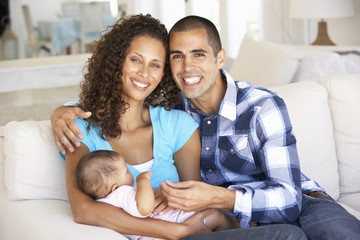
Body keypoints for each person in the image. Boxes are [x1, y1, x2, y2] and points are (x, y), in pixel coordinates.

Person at [51, 14, 309, 240]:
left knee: (291, 234)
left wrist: (191, 226)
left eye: (155, 65)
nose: (144, 73)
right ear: (116, 61)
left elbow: (194, 200)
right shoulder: (79, 129)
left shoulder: (178, 123)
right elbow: (83, 210)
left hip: (194, 232)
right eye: (135, 60)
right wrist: (173, 232)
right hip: (175, 234)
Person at [76, 150, 239, 240]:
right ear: (114, 186)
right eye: (126, 171)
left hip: (157, 232)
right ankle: (236, 227)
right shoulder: (121, 193)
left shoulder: (104, 202)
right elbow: (144, 208)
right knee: (215, 215)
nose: (130, 172)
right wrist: (142, 181)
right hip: (176, 222)